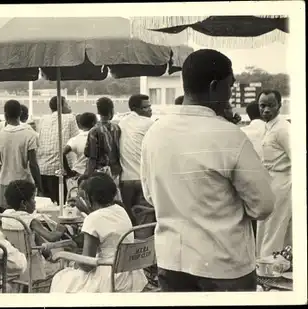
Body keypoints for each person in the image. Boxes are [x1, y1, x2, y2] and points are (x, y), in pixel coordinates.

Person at [140, 49, 275, 292]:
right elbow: (263, 206)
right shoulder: (230, 136)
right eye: (230, 87)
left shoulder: (155, 133)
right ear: (215, 87)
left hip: (172, 262)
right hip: (224, 265)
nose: (231, 95)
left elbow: (150, 196)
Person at [50, 173, 148, 293]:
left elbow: (87, 265)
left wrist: (73, 260)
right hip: (129, 274)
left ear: (87, 196)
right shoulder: (120, 210)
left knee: (60, 278)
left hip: (108, 276)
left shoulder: (93, 219)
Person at [0, 180, 70, 283]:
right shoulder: (30, 220)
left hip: (12, 261)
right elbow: (51, 237)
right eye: (33, 199)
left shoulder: (5, 215)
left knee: (33, 236)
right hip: (31, 265)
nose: (35, 202)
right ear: (24, 203)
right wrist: (60, 230)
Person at [0, 100, 43, 213]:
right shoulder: (30, 134)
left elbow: (1, 159)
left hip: (4, 183)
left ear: (5, 114)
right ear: (20, 113)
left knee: (7, 217)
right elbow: (33, 164)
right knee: (25, 217)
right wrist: (39, 185)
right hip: (24, 184)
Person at [256, 90, 292, 258]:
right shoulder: (269, 126)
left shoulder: (283, 129)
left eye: (271, 105)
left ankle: (269, 264)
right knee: (265, 225)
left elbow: (297, 159)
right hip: (270, 182)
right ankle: (264, 262)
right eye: (262, 106)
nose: (266, 110)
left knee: (274, 226)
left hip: (282, 182)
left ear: (280, 105)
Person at [37, 96, 80, 204]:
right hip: (59, 169)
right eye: (67, 104)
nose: (69, 106)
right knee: (62, 203)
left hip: (42, 168)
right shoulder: (70, 118)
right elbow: (76, 141)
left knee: (47, 205)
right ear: (61, 106)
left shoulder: (42, 119)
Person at [118, 94, 154, 212]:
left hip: (125, 180)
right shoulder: (149, 123)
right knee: (146, 217)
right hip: (143, 179)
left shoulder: (121, 123)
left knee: (129, 218)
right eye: (145, 107)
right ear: (135, 109)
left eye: (149, 106)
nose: (150, 109)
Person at [84, 97, 122, 180]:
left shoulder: (94, 131)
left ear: (98, 112)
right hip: (116, 172)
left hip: (100, 173)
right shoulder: (117, 128)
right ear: (111, 111)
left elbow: (91, 156)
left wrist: (88, 175)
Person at [62, 112, 97, 190]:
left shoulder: (75, 139)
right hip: (94, 174)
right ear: (94, 123)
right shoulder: (98, 137)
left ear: (80, 125)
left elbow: (62, 154)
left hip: (78, 174)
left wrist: (68, 171)